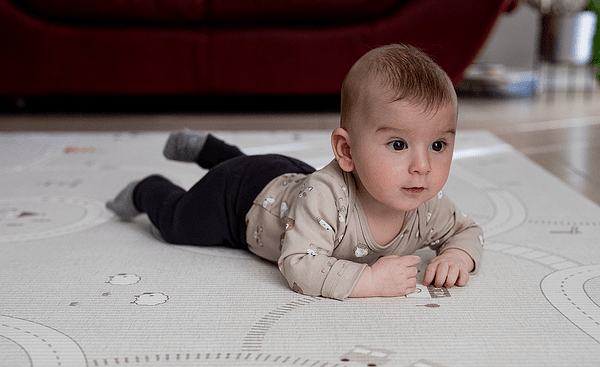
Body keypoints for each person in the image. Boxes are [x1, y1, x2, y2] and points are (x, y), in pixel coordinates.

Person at [107, 44, 484, 300]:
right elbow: (299, 264)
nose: (423, 166)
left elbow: (467, 231)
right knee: (180, 224)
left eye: (438, 145)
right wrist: (368, 280)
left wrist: (456, 256)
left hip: (289, 181)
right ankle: (147, 188)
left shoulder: (427, 202)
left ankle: (209, 150)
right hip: (239, 201)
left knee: (266, 173)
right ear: (347, 151)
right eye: (399, 145)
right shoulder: (325, 196)